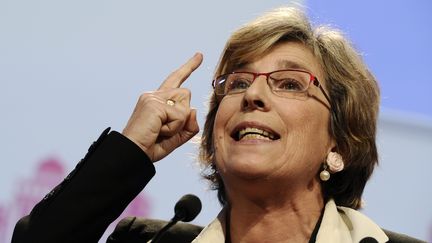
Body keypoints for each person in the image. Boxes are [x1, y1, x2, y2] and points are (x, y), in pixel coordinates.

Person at [12, 7, 424, 243]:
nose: (252, 95)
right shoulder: (147, 242)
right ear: (212, 136)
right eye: (238, 81)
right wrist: (131, 148)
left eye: (289, 84)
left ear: (341, 146)